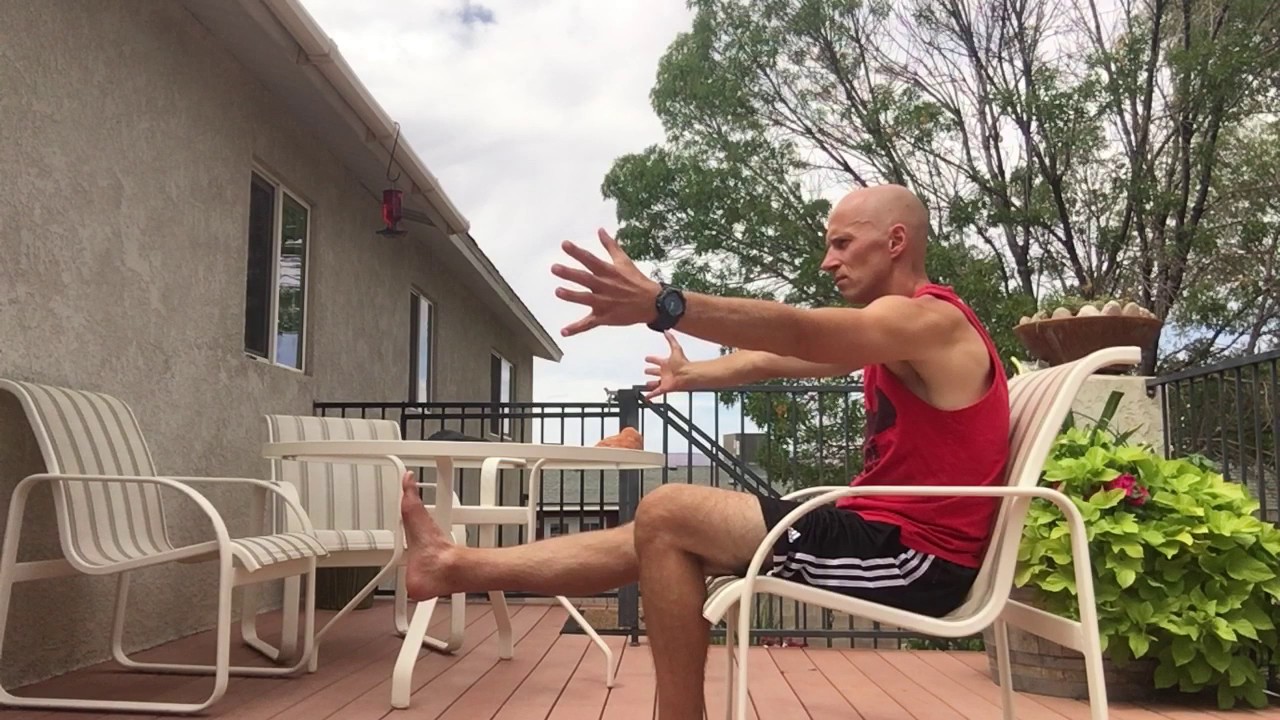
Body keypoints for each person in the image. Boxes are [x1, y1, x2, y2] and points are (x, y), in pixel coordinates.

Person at [397, 183, 1009, 719]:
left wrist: (666, 304)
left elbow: (803, 331)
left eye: (843, 244)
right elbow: (776, 357)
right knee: (656, 531)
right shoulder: (896, 335)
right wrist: (694, 376)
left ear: (896, 241)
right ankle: (452, 567)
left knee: (667, 512)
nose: (829, 261)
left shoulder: (930, 323)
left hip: (916, 560)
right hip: (875, 534)